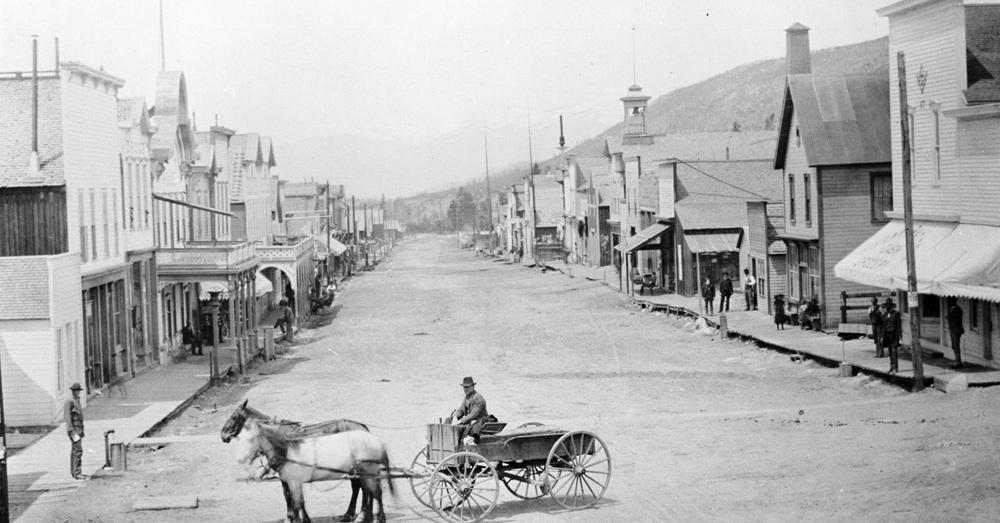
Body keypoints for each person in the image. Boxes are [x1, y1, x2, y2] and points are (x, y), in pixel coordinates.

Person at [444, 377, 489, 444]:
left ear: (473, 387)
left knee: (458, 428)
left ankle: (455, 443)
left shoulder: (479, 399)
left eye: (467, 387)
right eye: (464, 387)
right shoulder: (467, 397)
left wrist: (460, 421)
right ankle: (444, 437)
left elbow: (473, 415)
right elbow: (461, 410)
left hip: (478, 422)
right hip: (469, 422)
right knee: (448, 419)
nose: (465, 389)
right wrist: (454, 418)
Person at [65, 383, 86, 480]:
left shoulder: (76, 400)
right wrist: (71, 431)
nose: (78, 392)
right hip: (74, 430)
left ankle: (74, 472)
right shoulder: (70, 401)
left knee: (75, 450)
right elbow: (68, 418)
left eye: (78, 391)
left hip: (79, 429)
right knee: (78, 451)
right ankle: (77, 473)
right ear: (73, 391)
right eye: (76, 391)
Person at [883, 298, 901, 374]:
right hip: (887, 334)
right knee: (890, 352)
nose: (887, 307)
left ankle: (895, 367)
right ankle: (891, 366)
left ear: (891, 306)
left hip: (894, 334)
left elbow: (898, 325)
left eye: (888, 305)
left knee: (894, 351)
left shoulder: (896, 314)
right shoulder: (885, 314)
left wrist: (899, 336)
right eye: (886, 305)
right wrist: (882, 336)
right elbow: (884, 325)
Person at [946, 299, 964, 369]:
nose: (949, 303)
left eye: (950, 301)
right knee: (954, 345)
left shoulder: (957, 309)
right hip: (952, 329)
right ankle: (957, 360)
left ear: (953, 301)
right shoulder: (951, 309)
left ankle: (958, 361)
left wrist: (949, 317)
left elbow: (957, 320)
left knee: (956, 345)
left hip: (956, 329)